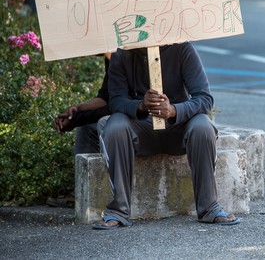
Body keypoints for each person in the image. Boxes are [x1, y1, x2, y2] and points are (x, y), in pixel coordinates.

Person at [92, 43, 240, 229]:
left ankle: (209, 207)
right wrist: (140, 106)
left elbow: (204, 99)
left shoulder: (182, 48)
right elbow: (115, 102)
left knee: (203, 126)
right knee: (114, 125)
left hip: (177, 128)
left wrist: (174, 110)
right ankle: (118, 211)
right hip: (140, 130)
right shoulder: (122, 53)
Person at [53, 54, 110, 155]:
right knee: (86, 129)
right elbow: (105, 97)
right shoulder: (111, 59)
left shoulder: (130, 55)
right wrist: (76, 109)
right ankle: (87, 170)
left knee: (102, 124)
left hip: (138, 119)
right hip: (118, 111)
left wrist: (76, 119)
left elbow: (119, 105)